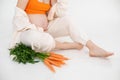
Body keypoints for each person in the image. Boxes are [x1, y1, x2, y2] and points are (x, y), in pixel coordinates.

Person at [10, 0, 113, 57]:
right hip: (28, 31)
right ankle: (68, 45)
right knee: (35, 37)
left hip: (46, 29)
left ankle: (92, 47)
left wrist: (56, 2)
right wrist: (33, 28)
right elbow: (18, 17)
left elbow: (60, 14)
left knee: (68, 19)